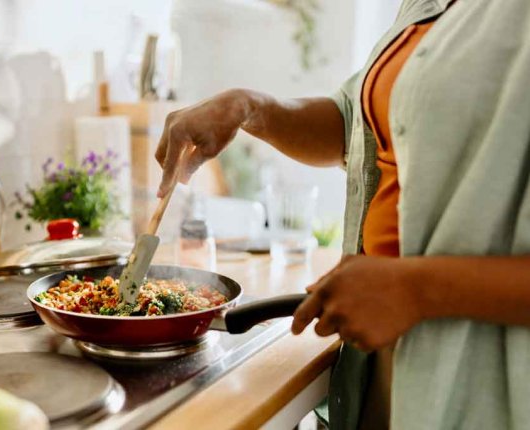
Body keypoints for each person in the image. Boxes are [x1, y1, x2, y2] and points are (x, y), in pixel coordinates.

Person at [154, 1, 530, 429]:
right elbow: (355, 121)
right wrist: (248, 106)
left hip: (487, 380)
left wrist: (418, 290)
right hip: (385, 356)